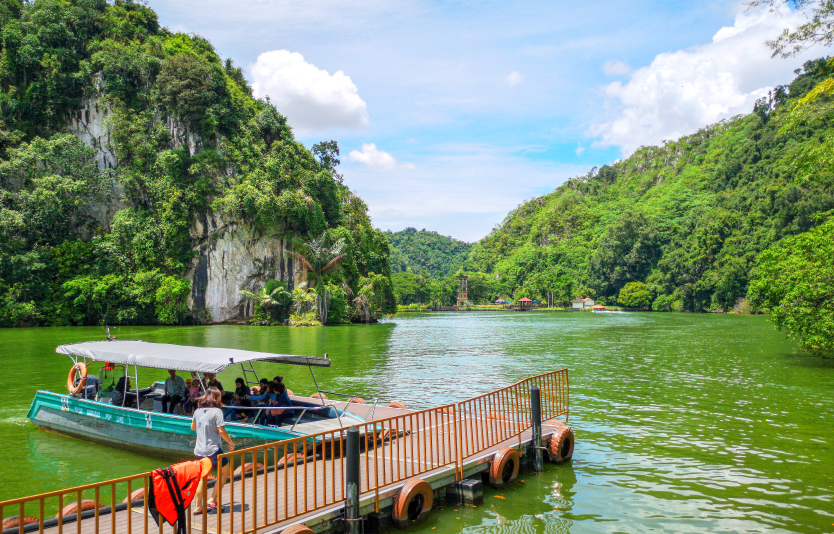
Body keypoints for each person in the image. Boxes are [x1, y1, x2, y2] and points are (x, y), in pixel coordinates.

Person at [191, 388, 235, 515]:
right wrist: (230, 443)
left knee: (202, 478)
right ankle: (212, 499)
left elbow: (193, 427)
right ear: (216, 398)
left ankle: (198, 507)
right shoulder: (217, 411)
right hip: (213, 450)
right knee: (225, 472)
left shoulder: (197, 411)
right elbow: (221, 431)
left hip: (199, 450)